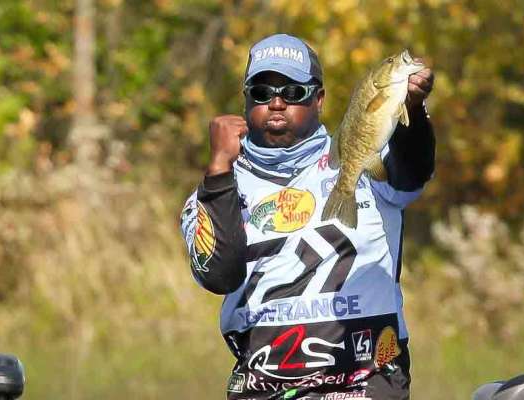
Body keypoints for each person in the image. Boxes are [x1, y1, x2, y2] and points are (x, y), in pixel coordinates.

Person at [180, 33, 435, 400]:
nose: (277, 103)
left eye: (293, 92)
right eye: (262, 93)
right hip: (263, 390)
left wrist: (413, 108)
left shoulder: (360, 156)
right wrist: (220, 168)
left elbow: (413, 171)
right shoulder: (213, 191)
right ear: (246, 101)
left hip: (366, 385)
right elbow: (219, 274)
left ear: (319, 99)